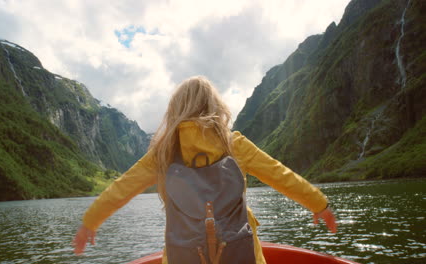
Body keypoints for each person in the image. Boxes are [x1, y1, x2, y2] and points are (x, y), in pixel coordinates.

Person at [72, 76, 337, 264]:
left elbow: (122, 188)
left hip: (182, 256)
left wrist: (90, 222)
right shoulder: (235, 145)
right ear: (214, 105)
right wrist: (319, 204)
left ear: (175, 110)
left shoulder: (163, 152)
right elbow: (281, 176)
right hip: (241, 254)